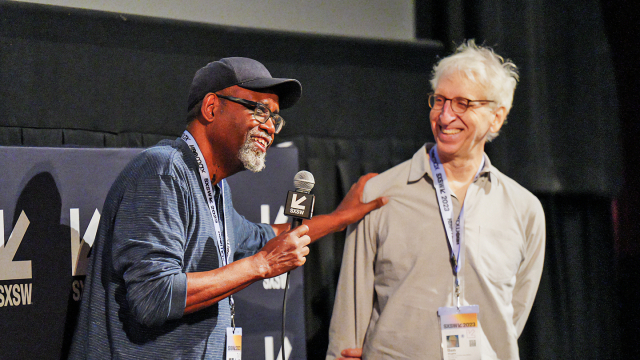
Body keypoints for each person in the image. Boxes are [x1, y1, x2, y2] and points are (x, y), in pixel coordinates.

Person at [68, 57, 387, 359]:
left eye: (275, 117)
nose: (271, 127)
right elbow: (154, 295)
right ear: (211, 107)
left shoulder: (217, 190)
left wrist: (339, 218)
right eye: (260, 110)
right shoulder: (163, 173)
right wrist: (262, 265)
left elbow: (268, 238)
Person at [326, 40, 545, 360]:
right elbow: (351, 310)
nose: (445, 116)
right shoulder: (381, 195)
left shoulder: (525, 210)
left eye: (462, 103)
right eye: (439, 100)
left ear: (496, 117)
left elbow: (513, 316)